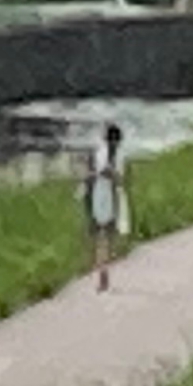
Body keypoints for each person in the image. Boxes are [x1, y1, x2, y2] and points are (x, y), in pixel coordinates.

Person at [83, 121, 131, 293]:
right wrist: (98, 175)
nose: (113, 143)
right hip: (99, 194)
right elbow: (90, 175)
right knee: (100, 235)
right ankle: (103, 273)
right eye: (111, 140)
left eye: (115, 140)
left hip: (112, 196)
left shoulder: (120, 157)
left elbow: (119, 179)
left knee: (109, 236)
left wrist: (111, 174)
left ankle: (104, 270)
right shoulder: (98, 154)